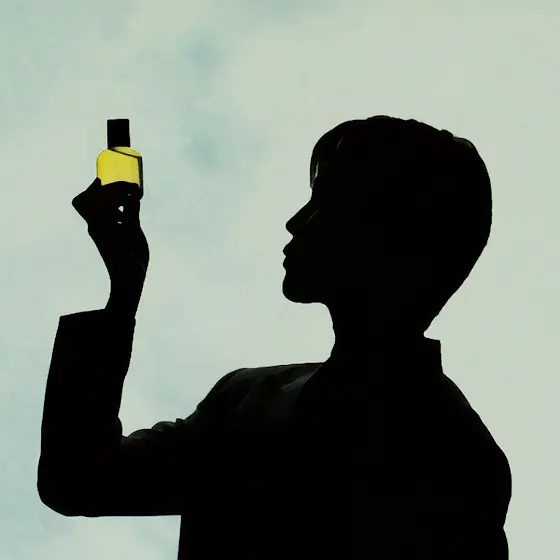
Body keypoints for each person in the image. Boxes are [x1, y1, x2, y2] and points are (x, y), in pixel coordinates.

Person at [37, 115, 512, 559]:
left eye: (324, 202)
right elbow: (79, 480)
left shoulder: (455, 457)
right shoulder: (245, 397)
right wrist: (124, 291)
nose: (295, 221)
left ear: (390, 232)